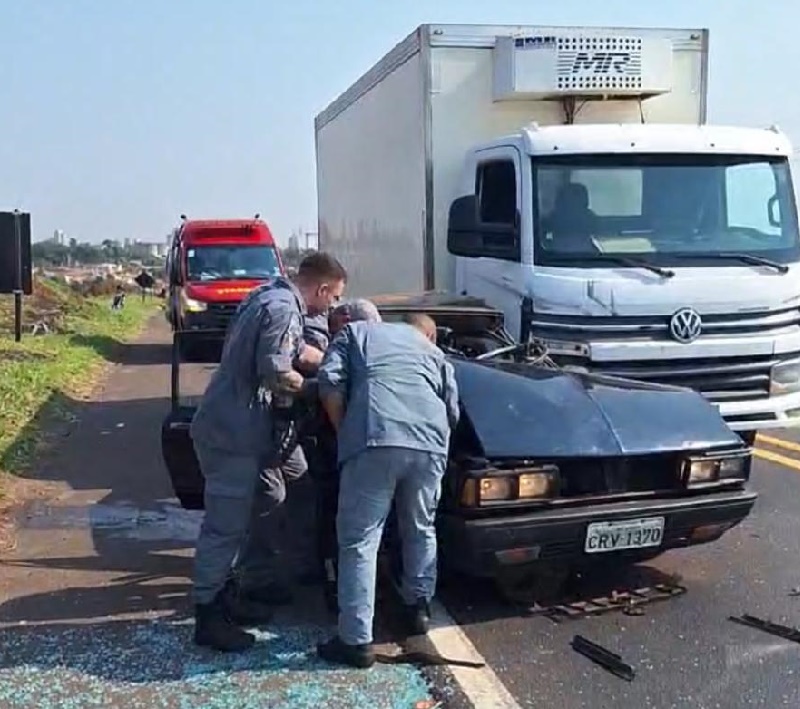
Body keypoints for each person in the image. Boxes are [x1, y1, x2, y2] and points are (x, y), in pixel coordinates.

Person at [189, 252, 347, 652]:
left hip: (242, 427)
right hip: (233, 432)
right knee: (225, 525)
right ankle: (208, 614)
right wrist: (322, 390)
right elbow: (277, 372)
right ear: (323, 288)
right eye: (333, 299)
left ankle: (245, 584)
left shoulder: (269, 296)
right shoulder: (283, 310)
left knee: (279, 493)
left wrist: (333, 360)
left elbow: (292, 353)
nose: (331, 307)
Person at [315, 311, 460, 668]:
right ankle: (417, 609)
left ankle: (356, 640)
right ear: (428, 334)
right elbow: (452, 410)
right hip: (431, 443)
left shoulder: (356, 332)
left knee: (360, 539)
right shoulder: (433, 353)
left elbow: (329, 381)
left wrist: (344, 430)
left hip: (375, 435)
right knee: (421, 527)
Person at [310, 299, 383, 614]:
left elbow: (328, 381)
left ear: (345, 320)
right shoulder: (395, 343)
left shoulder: (347, 339)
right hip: (397, 442)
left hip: (350, 445)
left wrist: (342, 432)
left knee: (347, 524)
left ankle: (342, 594)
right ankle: (413, 601)